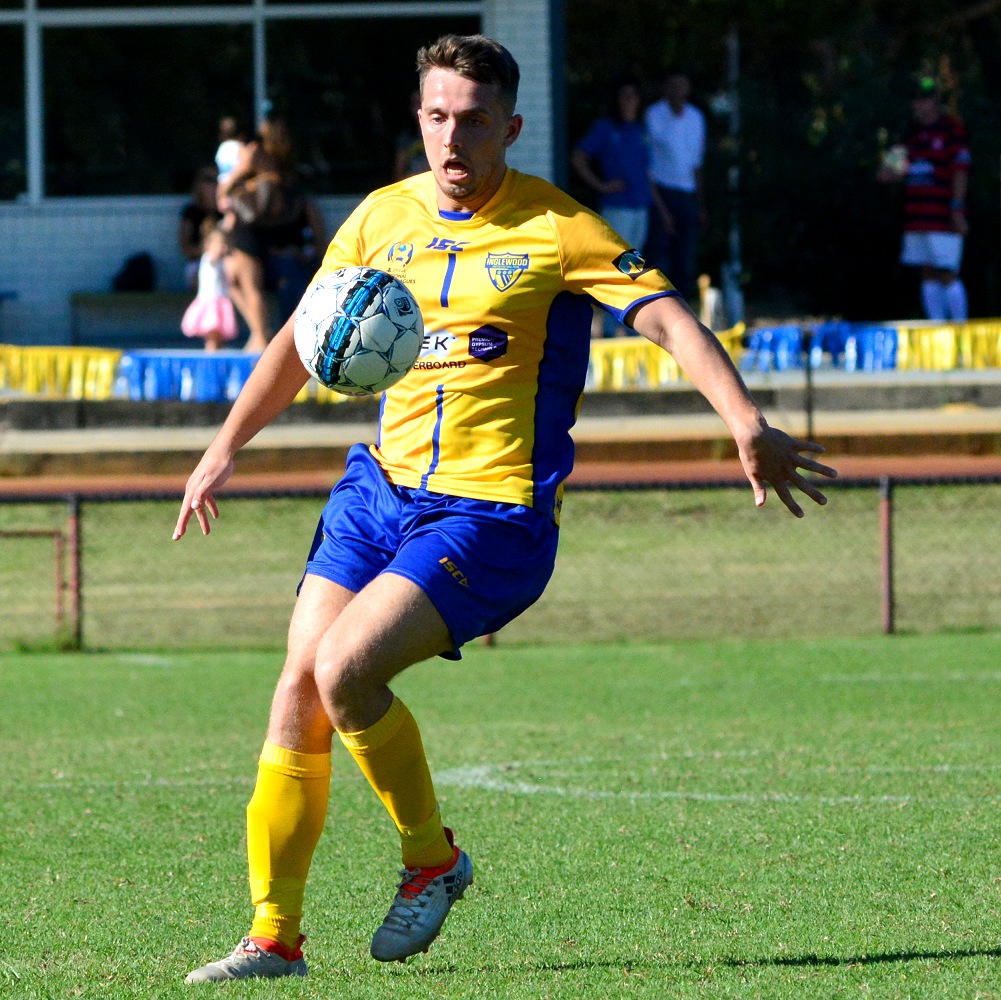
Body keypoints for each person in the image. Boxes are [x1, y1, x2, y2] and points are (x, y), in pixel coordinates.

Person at [173, 33, 837, 984]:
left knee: (345, 668)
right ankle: (273, 937)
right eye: (438, 117)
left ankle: (430, 863)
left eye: (474, 122)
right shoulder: (379, 217)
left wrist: (743, 419)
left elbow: (667, 318)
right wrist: (224, 447)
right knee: (296, 689)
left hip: (490, 515)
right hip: (378, 492)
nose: (453, 139)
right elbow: (299, 337)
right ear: (418, 119)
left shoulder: (559, 228)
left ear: (510, 128)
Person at [571, 79, 663, 336]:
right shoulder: (606, 128)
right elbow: (579, 157)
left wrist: (661, 209)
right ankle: (613, 326)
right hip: (617, 207)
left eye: (633, 96)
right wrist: (600, 185)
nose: (629, 101)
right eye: (624, 96)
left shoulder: (641, 130)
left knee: (634, 268)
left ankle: (631, 323)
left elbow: (647, 172)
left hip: (640, 206)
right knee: (619, 266)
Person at [877, 76, 971, 321]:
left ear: (936, 101)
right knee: (926, 271)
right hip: (917, 216)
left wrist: (957, 209)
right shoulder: (912, 135)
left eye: (925, 99)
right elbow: (894, 172)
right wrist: (889, 169)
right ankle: (937, 331)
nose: (919, 105)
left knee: (947, 270)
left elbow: (961, 171)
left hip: (942, 216)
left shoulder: (952, 129)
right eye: (917, 100)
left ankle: (961, 331)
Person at [219, 117, 305, 353]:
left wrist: (233, 179)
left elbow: (228, 185)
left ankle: (259, 336)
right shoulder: (284, 160)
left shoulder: (256, 153)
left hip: (247, 228)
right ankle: (260, 331)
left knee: (249, 283)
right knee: (234, 280)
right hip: (267, 228)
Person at [644, 70, 706, 303]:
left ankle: (685, 312)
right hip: (661, 192)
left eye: (683, 86)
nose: (679, 92)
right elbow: (647, 163)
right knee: (660, 259)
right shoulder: (653, 115)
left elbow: (696, 163)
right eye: (674, 86)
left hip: (687, 194)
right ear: (665, 88)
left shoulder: (696, 117)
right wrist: (660, 207)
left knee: (686, 260)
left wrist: (700, 204)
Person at [180, 219, 238, 351]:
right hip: (211, 300)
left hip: (220, 299)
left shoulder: (223, 261)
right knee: (212, 332)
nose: (223, 247)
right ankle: (211, 352)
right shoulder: (209, 258)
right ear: (209, 244)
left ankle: (217, 351)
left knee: (219, 335)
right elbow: (213, 258)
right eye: (220, 244)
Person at [178, 167, 221, 291]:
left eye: (217, 180)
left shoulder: (228, 212)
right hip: (199, 263)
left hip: (226, 262)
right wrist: (208, 252)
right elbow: (185, 248)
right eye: (209, 180)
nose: (214, 184)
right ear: (199, 184)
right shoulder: (191, 212)